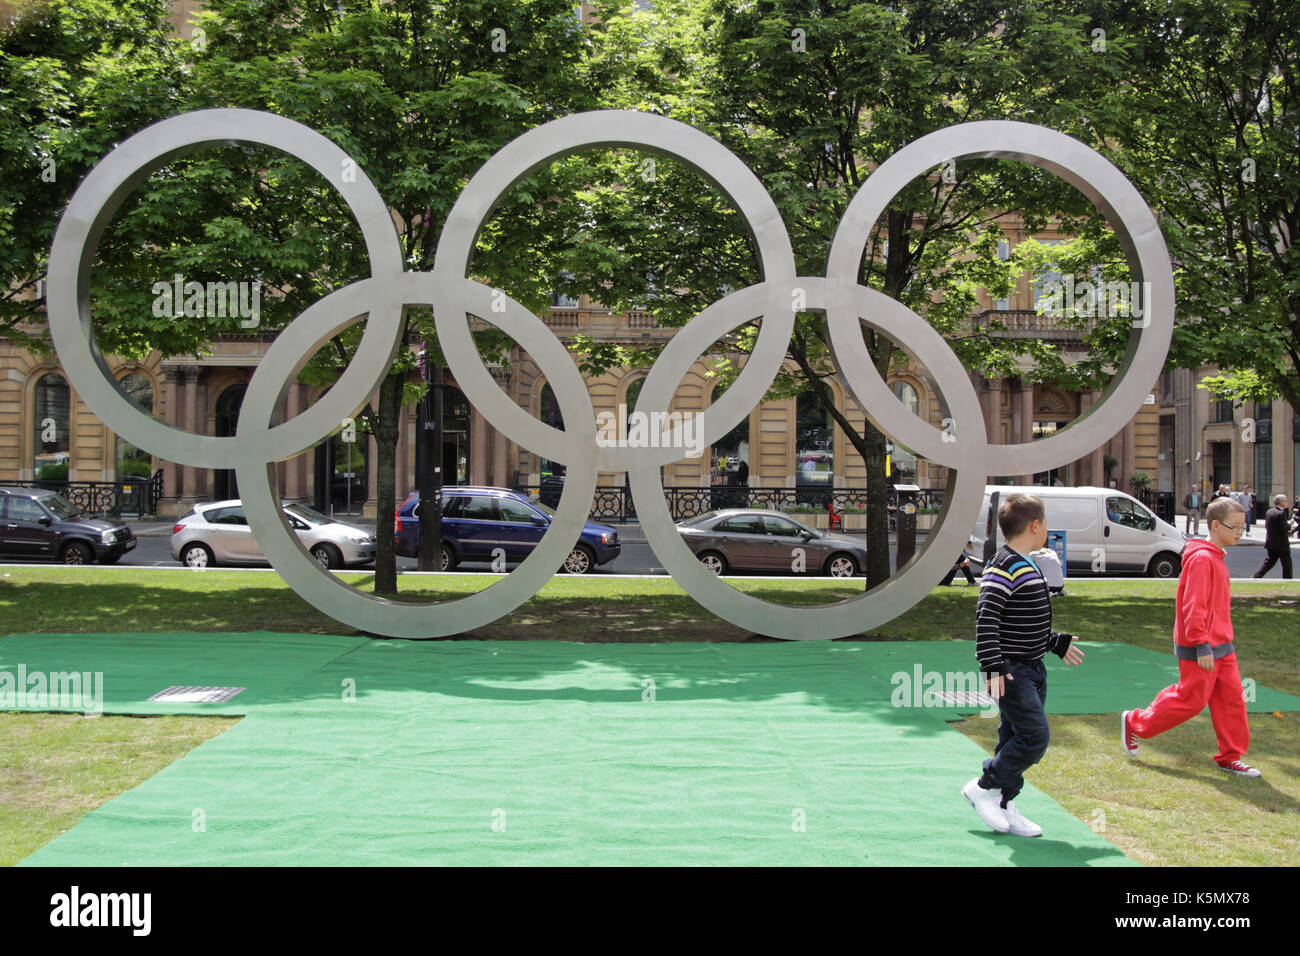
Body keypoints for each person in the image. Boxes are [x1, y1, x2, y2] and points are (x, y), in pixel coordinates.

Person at [962, 494, 1086, 837]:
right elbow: (987, 618)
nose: (1047, 529)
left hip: (1032, 668)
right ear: (1036, 526)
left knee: (1014, 734)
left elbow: (1023, 620)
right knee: (1034, 736)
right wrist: (992, 666)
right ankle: (984, 786)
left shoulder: (1026, 563)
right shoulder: (1003, 565)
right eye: (1046, 523)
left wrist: (1054, 642)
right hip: (1011, 670)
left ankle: (1003, 799)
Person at [1122, 497, 1260, 777]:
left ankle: (1230, 757)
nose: (1239, 532)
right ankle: (1136, 722)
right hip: (1202, 645)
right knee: (1191, 699)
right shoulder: (1201, 559)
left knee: (1232, 700)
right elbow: (1193, 607)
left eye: (1242, 527)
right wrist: (1201, 644)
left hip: (1222, 644)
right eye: (1234, 527)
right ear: (1216, 526)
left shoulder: (1215, 557)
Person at [1253, 494, 1293, 579]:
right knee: (1287, 564)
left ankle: (1257, 576)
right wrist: (1290, 525)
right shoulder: (1281, 513)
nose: (1287, 502)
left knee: (1269, 562)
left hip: (1271, 542)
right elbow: (1283, 528)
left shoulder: (1269, 511)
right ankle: (1288, 579)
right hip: (1282, 544)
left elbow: (1268, 526)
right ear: (1281, 502)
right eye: (1286, 501)